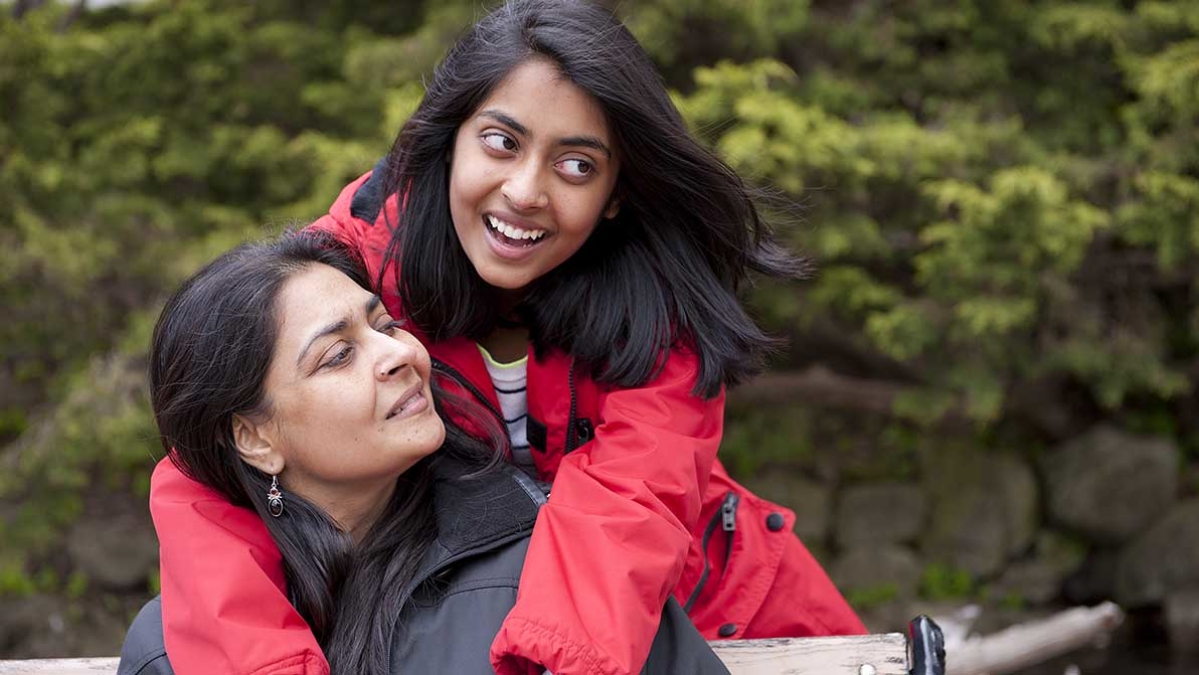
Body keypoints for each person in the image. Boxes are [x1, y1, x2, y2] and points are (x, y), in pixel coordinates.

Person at [149, 1, 866, 674]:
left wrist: (552, 661)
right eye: (501, 141)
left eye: (575, 165)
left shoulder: (658, 301)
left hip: (725, 618)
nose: (526, 190)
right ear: (449, 138)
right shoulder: (350, 270)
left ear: (615, 192)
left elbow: (633, 497)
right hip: (464, 624)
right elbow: (204, 476)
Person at [119, 231, 731, 675]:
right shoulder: (173, 649)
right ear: (255, 438)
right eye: (338, 356)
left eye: (383, 325)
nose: (399, 354)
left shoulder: (552, 576)